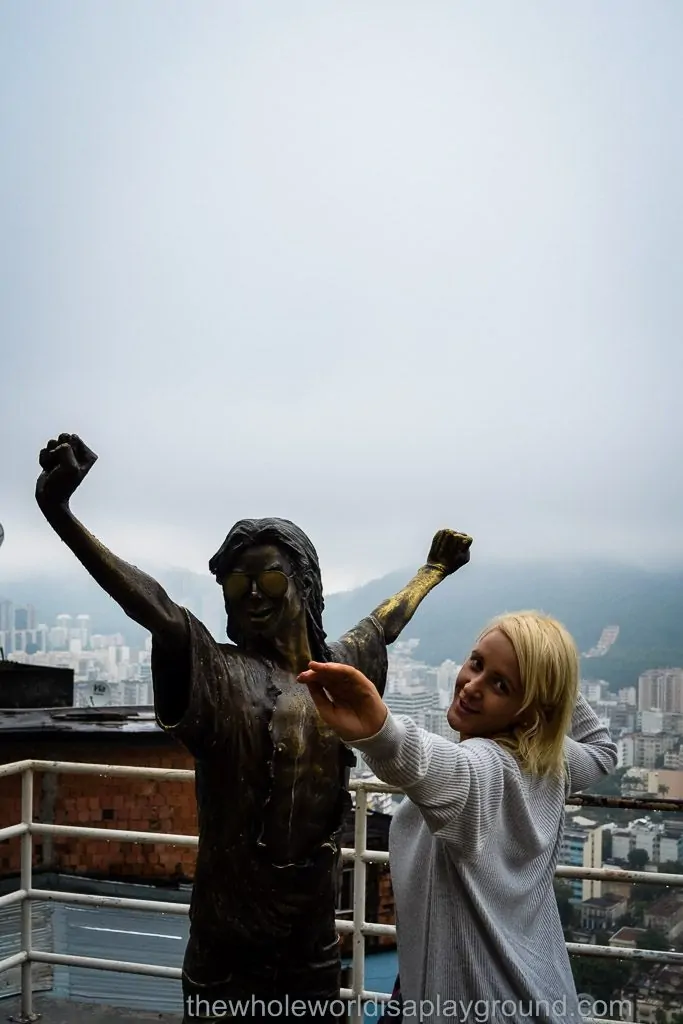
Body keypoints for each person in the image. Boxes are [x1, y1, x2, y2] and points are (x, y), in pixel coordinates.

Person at [35, 431, 473, 1023]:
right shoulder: (217, 671)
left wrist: (432, 570)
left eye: (266, 580)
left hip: (312, 936)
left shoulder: (339, 670)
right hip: (227, 937)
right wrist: (60, 514)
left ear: (304, 583)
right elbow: (156, 608)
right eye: (236, 586)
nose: (251, 597)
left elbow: (384, 623)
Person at [298, 609, 618, 1023]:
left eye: (501, 685)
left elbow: (443, 767)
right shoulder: (552, 761)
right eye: (477, 663)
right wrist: (544, 667)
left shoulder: (488, 768)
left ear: (528, 708)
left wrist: (380, 730)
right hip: (539, 994)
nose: (472, 686)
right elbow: (602, 749)